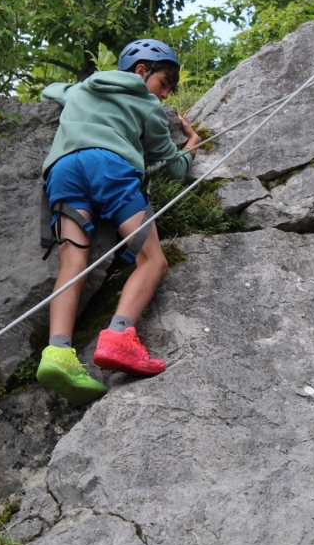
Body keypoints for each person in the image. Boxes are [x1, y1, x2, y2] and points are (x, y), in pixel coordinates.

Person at [35, 39, 201, 404]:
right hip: (110, 169)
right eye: (163, 84)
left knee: (73, 264)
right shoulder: (146, 106)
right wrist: (191, 147)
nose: (163, 96)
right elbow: (172, 167)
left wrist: (73, 96)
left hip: (62, 173)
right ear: (142, 71)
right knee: (152, 260)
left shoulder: (81, 90)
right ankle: (120, 336)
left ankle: (58, 353)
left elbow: (52, 90)